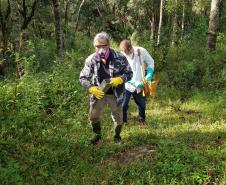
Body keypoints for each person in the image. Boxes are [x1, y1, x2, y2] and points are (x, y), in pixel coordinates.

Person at [79, 32, 132, 145]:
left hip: (115, 93)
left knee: (118, 116)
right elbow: (83, 77)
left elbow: (129, 73)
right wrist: (90, 88)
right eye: (98, 46)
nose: (101, 49)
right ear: (94, 47)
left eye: (103, 46)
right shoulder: (91, 59)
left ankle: (117, 136)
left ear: (108, 44)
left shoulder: (120, 57)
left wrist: (121, 79)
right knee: (94, 116)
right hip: (99, 92)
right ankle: (97, 135)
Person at [120, 40, 155, 126]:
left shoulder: (141, 51)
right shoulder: (121, 56)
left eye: (129, 52)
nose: (128, 54)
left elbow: (151, 62)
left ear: (131, 47)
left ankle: (142, 119)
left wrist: (149, 74)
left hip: (140, 83)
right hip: (127, 83)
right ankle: (124, 122)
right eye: (126, 53)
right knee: (123, 105)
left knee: (142, 104)